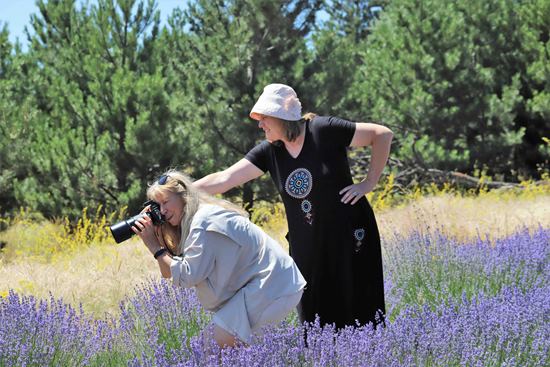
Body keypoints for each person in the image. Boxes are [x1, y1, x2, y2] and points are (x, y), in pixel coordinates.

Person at [194, 83, 393, 329]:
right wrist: (182, 189)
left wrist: (368, 183)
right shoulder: (270, 152)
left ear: (281, 116)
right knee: (314, 313)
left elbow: (381, 134)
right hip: (308, 244)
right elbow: (224, 179)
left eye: (264, 117)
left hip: (350, 236)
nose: (260, 124)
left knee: (360, 305)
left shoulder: (323, 130)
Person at [131, 169, 306, 347]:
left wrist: (154, 246)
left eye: (166, 202)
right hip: (267, 285)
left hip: (271, 285)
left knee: (209, 348)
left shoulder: (203, 222)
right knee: (223, 353)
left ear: (184, 196)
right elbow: (168, 273)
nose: (163, 211)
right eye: (158, 206)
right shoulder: (197, 219)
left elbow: (187, 276)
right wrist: (158, 238)